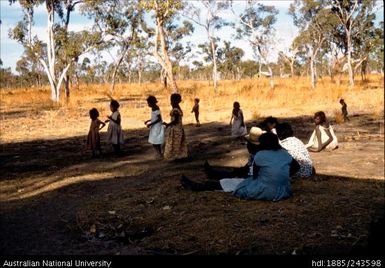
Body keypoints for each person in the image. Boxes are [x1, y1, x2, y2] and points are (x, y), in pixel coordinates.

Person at [181, 132, 299, 201]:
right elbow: (296, 167)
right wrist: (283, 176)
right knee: (232, 180)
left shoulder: (260, 155)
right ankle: (206, 181)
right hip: (283, 191)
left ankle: (198, 186)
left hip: (266, 190)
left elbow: (254, 176)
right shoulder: (284, 153)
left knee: (231, 184)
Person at [163, 93, 188, 161]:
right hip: (179, 128)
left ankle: (173, 156)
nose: (171, 102)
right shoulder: (177, 108)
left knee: (174, 142)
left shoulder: (175, 110)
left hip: (175, 129)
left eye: (171, 100)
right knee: (178, 142)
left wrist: (168, 124)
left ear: (175, 101)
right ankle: (179, 155)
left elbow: (175, 121)